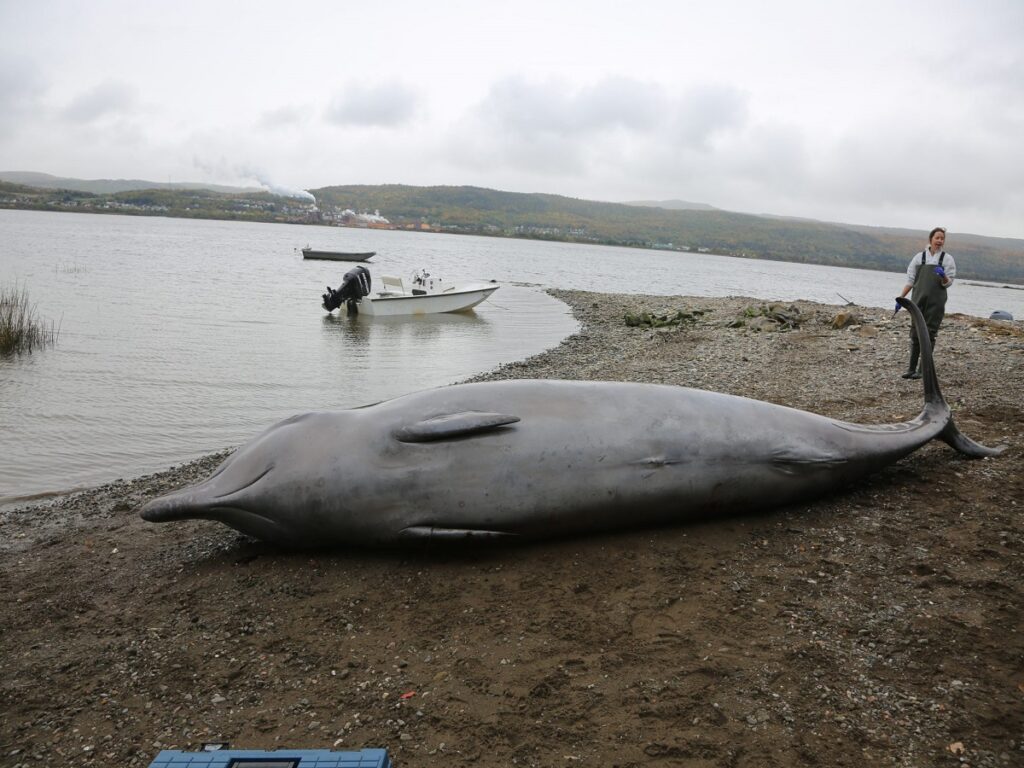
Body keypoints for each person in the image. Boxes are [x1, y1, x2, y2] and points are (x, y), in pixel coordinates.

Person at [897, 227, 957, 379]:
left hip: (936, 302)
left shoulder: (947, 259)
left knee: (929, 334)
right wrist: (900, 299)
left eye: (942, 238)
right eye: (937, 238)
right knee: (915, 333)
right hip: (918, 301)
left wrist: (943, 276)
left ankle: (923, 370)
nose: (939, 241)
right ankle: (911, 369)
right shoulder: (919, 258)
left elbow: (948, 283)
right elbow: (910, 281)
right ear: (930, 239)